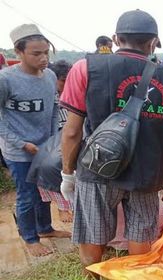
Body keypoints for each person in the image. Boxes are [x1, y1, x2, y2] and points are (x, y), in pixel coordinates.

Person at [59, 9, 163, 277]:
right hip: (147, 174)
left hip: (97, 169)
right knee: (141, 234)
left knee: (92, 234)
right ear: (153, 42)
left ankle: (93, 277)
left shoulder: (86, 68)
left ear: (116, 38)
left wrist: (67, 174)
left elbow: (72, 132)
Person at [0, 24, 71, 257]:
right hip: (19, 150)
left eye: (46, 53)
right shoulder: (6, 79)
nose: (43, 58)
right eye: (36, 53)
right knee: (27, 194)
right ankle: (30, 238)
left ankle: (46, 228)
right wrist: (21, 143)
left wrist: (52, 140)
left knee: (46, 190)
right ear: (18, 52)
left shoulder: (50, 75)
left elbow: (52, 109)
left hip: (45, 147)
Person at [26, 60, 73, 223]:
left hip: (65, 140)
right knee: (48, 173)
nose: (67, 84)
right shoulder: (45, 96)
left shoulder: (72, 95)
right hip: (47, 144)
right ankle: (61, 209)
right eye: (63, 80)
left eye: (69, 80)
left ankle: (65, 208)